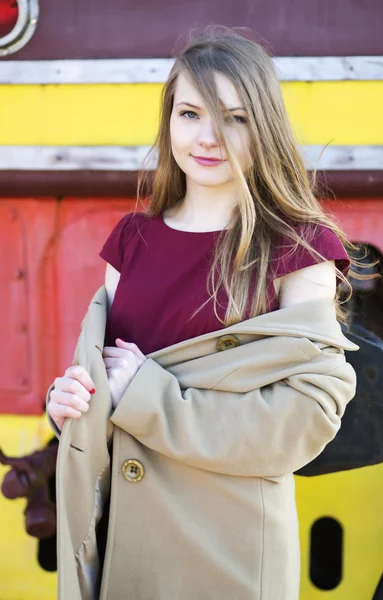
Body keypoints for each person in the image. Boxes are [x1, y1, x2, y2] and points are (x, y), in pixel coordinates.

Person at [47, 26, 358, 600]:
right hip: (124, 544)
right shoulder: (131, 239)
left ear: (263, 126)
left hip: (228, 548)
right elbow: (105, 376)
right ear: (170, 120)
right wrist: (66, 403)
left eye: (234, 118)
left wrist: (147, 397)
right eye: (190, 113)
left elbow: (305, 420)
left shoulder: (298, 245)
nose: (208, 137)